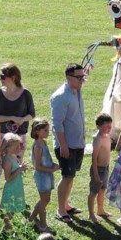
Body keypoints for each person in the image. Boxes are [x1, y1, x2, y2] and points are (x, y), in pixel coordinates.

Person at [50, 63, 87, 222]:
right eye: (79, 77)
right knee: (66, 176)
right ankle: (60, 210)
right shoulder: (60, 97)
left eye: (83, 76)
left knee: (71, 176)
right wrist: (63, 145)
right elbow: (57, 124)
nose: (82, 80)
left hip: (77, 142)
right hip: (67, 145)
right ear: (68, 77)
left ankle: (66, 205)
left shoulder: (77, 91)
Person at [0, 64, 35, 148]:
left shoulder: (25, 94)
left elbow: (32, 114)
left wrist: (22, 120)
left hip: (20, 136)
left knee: (17, 161)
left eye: (3, 76)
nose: (0, 79)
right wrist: (12, 118)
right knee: (2, 161)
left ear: (13, 78)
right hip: (2, 136)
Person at [29, 118, 59, 233]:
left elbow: (46, 160)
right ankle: (43, 225)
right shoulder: (37, 146)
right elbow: (37, 166)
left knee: (45, 200)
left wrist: (53, 165)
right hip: (42, 177)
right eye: (45, 130)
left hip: (47, 175)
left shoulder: (44, 142)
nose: (48, 132)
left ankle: (31, 219)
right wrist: (51, 169)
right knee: (44, 201)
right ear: (37, 131)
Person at [0, 133, 28, 227]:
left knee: (13, 208)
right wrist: (19, 169)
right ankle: (7, 226)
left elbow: (15, 169)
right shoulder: (7, 161)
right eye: (16, 147)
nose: (19, 148)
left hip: (16, 186)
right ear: (7, 148)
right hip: (11, 187)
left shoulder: (13, 156)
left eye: (19, 146)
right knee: (10, 210)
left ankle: (7, 226)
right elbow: (8, 178)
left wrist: (21, 168)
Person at [88, 113, 113, 221]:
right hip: (98, 169)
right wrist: (96, 174)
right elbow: (94, 159)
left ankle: (100, 210)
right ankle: (91, 214)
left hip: (105, 168)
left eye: (110, 126)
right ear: (98, 126)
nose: (109, 128)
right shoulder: (98, 139)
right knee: (94, 192)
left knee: (102, 189)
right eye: (106, 126)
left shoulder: (107, 137)